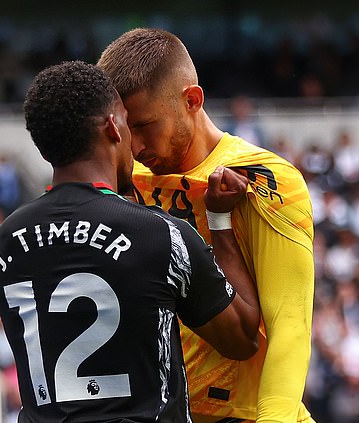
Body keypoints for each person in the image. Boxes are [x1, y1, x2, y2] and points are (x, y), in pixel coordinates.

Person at [0, 60, 261, 422]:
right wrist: (219, 220)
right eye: (130, 125)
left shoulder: (5, 243)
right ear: (114, 126)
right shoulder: (160, 235)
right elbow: (243, 337)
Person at [98, 28, 316, 423]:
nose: (136, 147)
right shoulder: (123, 183)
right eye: (127, 131)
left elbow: (291, 322)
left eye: (146, 125)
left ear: (192, 100)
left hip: (245, 413)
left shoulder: (261, 180)